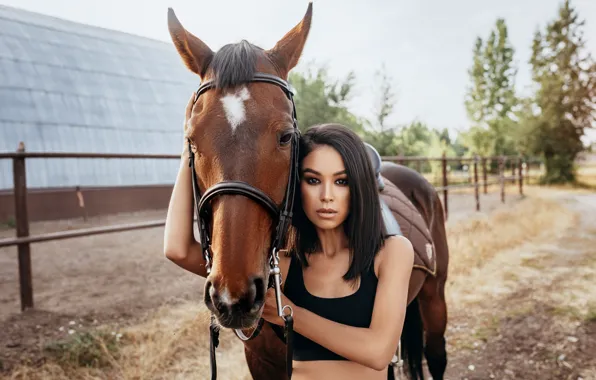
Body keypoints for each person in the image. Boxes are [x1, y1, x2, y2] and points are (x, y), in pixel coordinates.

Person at [262, 124, 414, 380]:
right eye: (313, 180)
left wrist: (290, 314)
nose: (327, 196)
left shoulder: (391, 252)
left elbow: (378, 352)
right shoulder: (284, 263)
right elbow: (180, 250)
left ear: (359, 186)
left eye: (341, 181)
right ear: (297, 188)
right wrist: (191, 149)